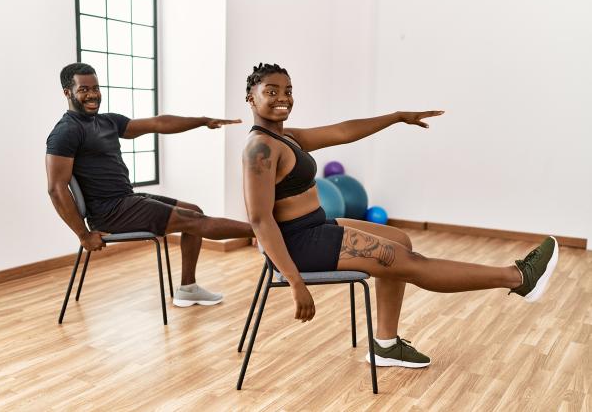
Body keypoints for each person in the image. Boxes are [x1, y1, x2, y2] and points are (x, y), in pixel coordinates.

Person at [241, 63, 559, 368]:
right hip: (298, 245)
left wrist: (395, 117)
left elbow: (341, 131)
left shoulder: (286, 137)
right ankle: (517, 277)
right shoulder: (260, 149)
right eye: (271, 91)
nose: (282, 98)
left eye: (288, 90)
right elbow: (260, 220)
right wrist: (295, 281)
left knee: (399, 239)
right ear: (251, 98)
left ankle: (386, 345)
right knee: (409, 262)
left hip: (313, 227)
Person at [46, 62, 254, 307]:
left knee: (195, 211)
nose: (92, 95)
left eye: (96, 88)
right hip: (108, 212)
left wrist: (202, 121)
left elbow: (157, 123)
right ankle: (268, 231)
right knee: (195, 221)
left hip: (125, 200)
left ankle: (188, 288)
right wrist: (83, 234)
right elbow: (56, 187)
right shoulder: (66, 132)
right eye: (84, 89)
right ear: (67, 92)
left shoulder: (107, 122)